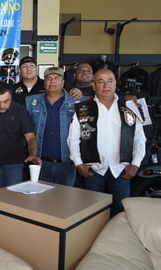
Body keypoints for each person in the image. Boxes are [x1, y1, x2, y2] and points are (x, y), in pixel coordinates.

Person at [68, 68, 146, 217]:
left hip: (121, 169)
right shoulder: (84, 109)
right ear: (93, 85)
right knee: (91, 214)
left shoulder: (128, 108)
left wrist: (135, 164)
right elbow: (73, 139)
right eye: (100, 82)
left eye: (110, 81)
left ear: (115, 84)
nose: (106, 85)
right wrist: (78, 164)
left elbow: (139, 138)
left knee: (121, 215)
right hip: (93, 170)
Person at [25, 67, 84, 186]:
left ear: (63, 82)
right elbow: (25, 130)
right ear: (44, 82)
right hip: (40, 161)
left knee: (65, 201)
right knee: (40, 200)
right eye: (48, 78)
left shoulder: (78, 102)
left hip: (67, 162)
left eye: (56, 78)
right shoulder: (31, 101)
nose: (52, 82)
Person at [0, 83, 40, 190]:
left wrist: (32, 154)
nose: (2, 106)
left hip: (14, 163)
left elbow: (31, 137)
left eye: (6, 101)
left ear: (11, 97)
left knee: (14, 198)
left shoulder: (20, 111)